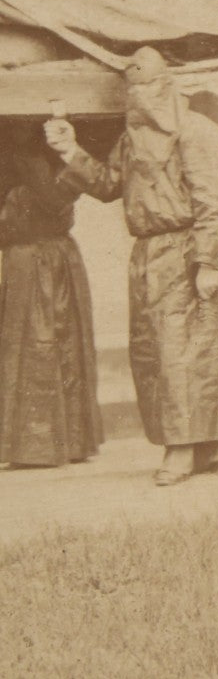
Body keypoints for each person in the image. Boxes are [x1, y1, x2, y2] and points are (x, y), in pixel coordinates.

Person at [47, 47, 218, 485]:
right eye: (133, 90)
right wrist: (70, 150)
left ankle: (186, 449)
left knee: (188, 354)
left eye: (149, 87)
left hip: (189, 251)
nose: (141, 99)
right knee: (158, 356)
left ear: (168, 86)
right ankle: (201, 446)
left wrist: (206, 261)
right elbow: (108, 185)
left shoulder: (196, 132)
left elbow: (216, 203)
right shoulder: (133, 139)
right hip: (149, 256)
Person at [0, 126, 102, 468]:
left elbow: (50, 197)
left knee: (42, 344)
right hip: (39, 256)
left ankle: (40, 445)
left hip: (39, 258)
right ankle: (61, 441)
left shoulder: (28, 153)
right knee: (47, 344)